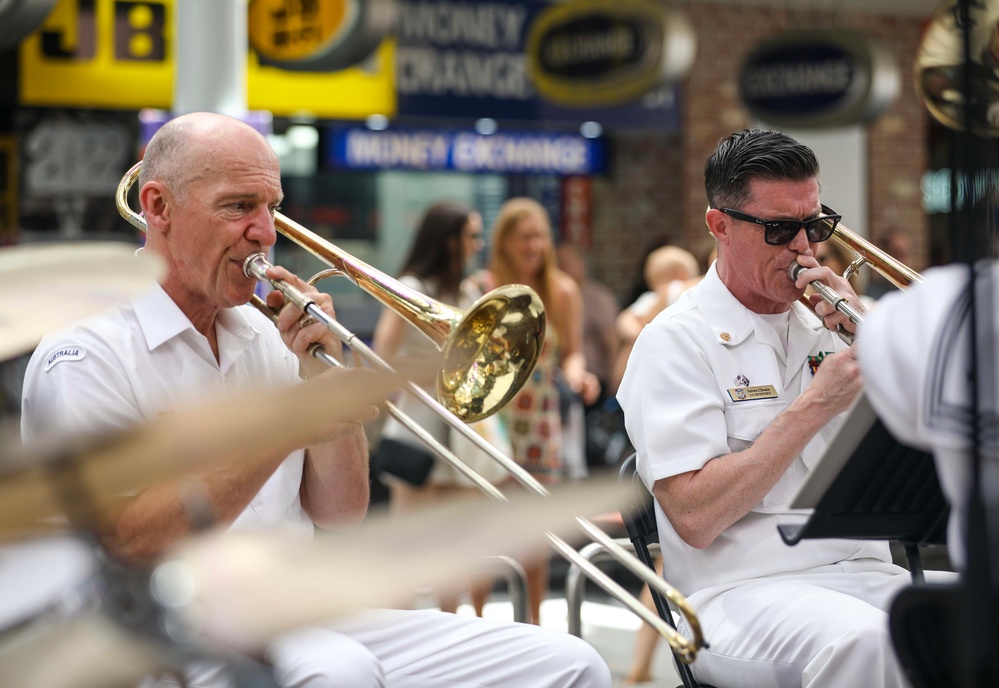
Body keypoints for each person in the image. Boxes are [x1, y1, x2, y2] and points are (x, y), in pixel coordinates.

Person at [20, 113, 612, 688]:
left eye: (271, 208)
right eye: (238, 207)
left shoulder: (268, 333)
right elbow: (126, 543)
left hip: (302, 607)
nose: (266, 233)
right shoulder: (88, 349)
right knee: (337, 671)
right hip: (162, 631)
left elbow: (340, 511)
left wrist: (324, 375)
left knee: (569, 663)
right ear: (157, 208)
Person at [617, 128, 952, 688]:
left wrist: (886, 347)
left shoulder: (840, 319)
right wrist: (813, 408)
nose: (804, 247)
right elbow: (695, 518)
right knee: (867, 642)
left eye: (815, 226)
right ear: (719, 226)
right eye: (779, 229)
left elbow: (938, 448)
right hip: (738, 591)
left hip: (867, 571)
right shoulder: (676, 340)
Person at [371, 199, 502, 614]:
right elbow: (380, 356)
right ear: (449, 241)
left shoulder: (464, 290)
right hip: (417, 426)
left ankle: (451, 637)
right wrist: (437, 372)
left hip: (456, 434)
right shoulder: (412, 285)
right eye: (472, 235)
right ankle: (400, 634)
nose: (478, 244)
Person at [475, 197, 599, 625]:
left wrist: (581, 376)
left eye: (541, 235)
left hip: (541, 422)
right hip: (494, 420)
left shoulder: (562, 289)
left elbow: (574, 355)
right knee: (487, 524)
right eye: (525, 236)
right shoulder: (484, 288)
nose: (535, 245)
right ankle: (475, 622)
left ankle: (532, 624)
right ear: (505, 241)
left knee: (534, 530)